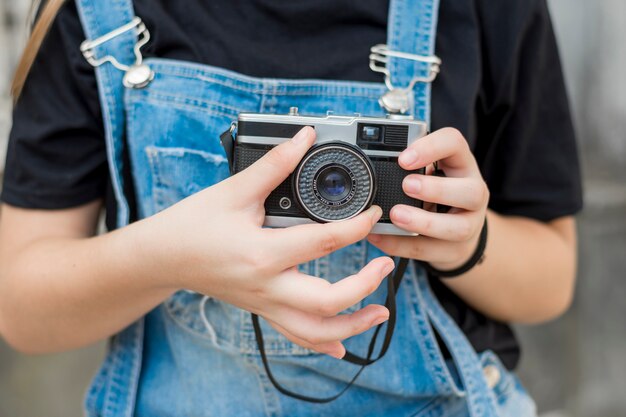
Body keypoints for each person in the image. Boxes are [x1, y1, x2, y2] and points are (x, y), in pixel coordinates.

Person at [0, 0, 582, 416]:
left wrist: (467, 241)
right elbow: (22, 309)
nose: (327, 186)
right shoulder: (96, 16)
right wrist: (168, 258)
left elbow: (551, 282)